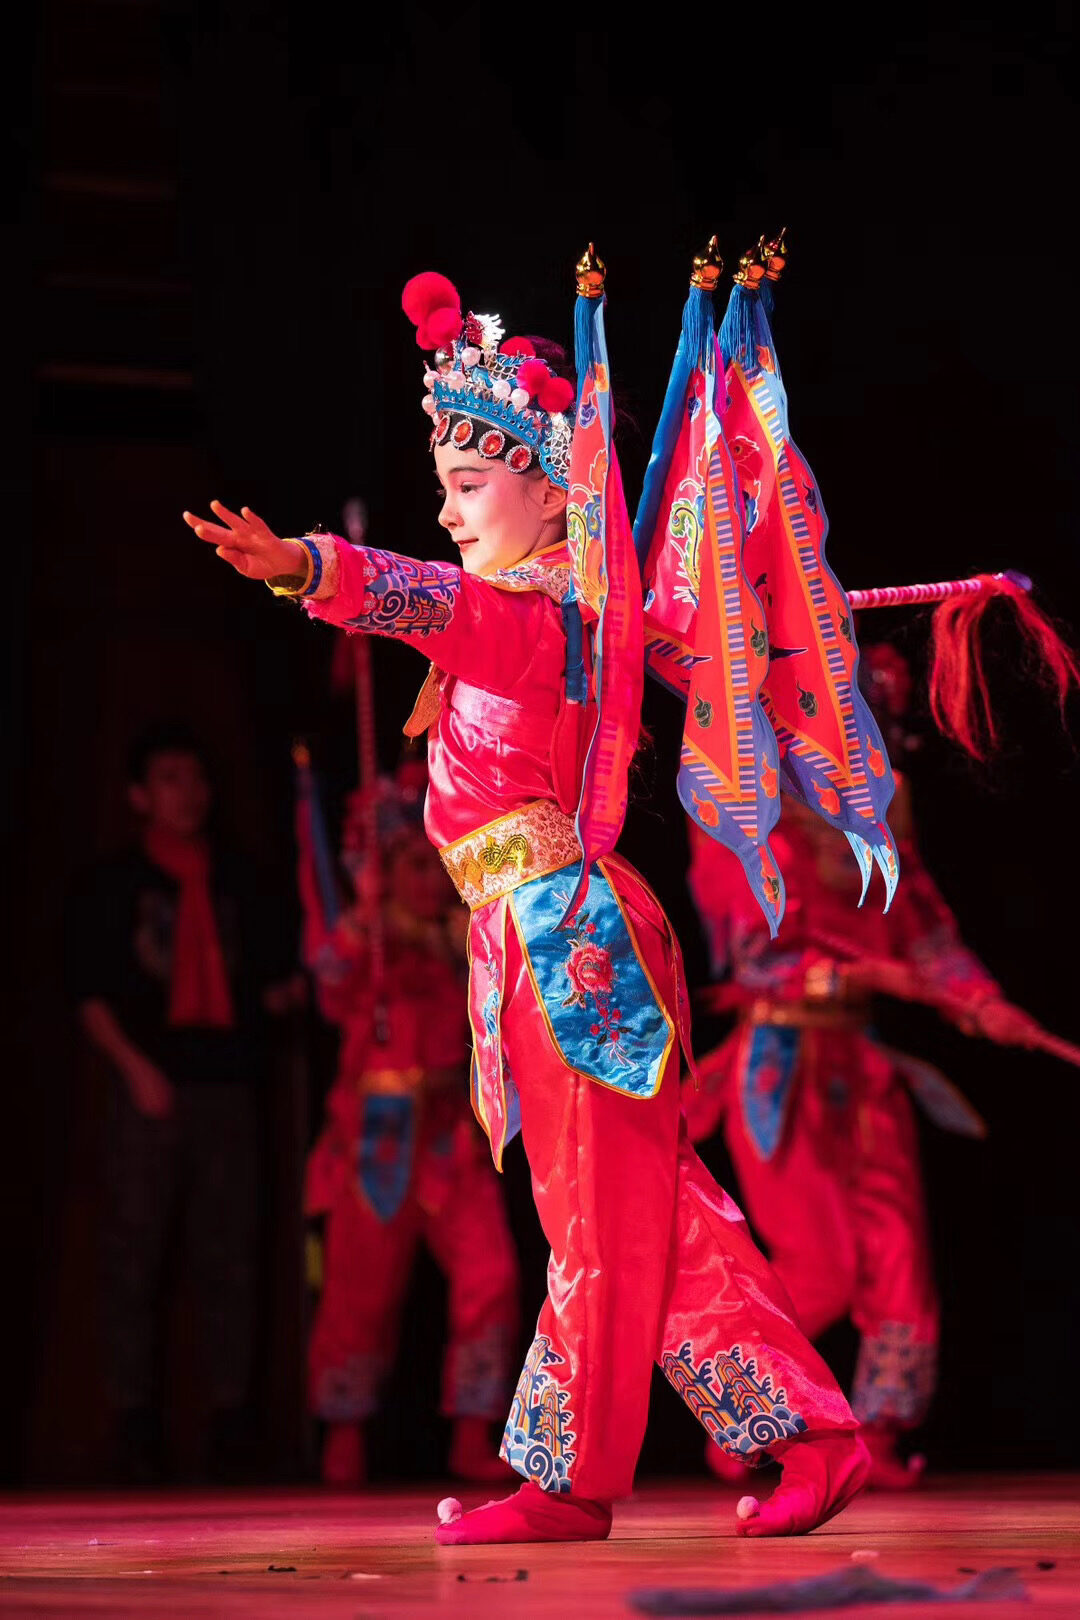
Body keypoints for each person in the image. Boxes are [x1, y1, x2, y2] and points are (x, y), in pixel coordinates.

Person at [182, 257, 875, 1544]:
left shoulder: (551, 618)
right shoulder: (558, 612)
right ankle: (743, 1447)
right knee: (633, 1210)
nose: (447, 511)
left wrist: (311, 567)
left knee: (610, 1215)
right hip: (536, 939)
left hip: (571, 939)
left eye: (468, 486)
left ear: (553, 490)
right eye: (442, 485)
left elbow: (434, 604)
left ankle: (602, 1475)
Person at [683, 654, 1042, 1488]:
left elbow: (928, 937)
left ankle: (880, 1432)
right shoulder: (748, 818)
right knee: (821, 1266)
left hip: (863, 1068)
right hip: (781, 1067)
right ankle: (740, 1415)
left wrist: (983, 1002)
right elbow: (751, 960)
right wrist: (869, 975)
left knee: (899, 1256)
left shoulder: (879, 827)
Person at [69, 722, 299, 1481]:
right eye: (169, 779)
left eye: (196, 778)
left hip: (228, 1085)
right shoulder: (114, 883)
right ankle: (132, 1424)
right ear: (139, 795)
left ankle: (234, 1422)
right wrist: (136, 1071)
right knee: (132, 1258)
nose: (188, 793)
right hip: (149, 1088)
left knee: (231, 1257)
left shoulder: (242, 877)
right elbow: (90, 994)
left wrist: (294, 992)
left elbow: (272, 978)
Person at [297, 758, 518, 1486]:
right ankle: (344, 1433)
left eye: (436, 866)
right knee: (359, 1291)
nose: (428, 882)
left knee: (491, 1274)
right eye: (412, 867)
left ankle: (474, 1431)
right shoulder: (366, 941)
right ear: (384, 872)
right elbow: (329, 987)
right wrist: (363, 920)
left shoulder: (466, 940)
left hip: (451, 1132)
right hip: (377, 1138)